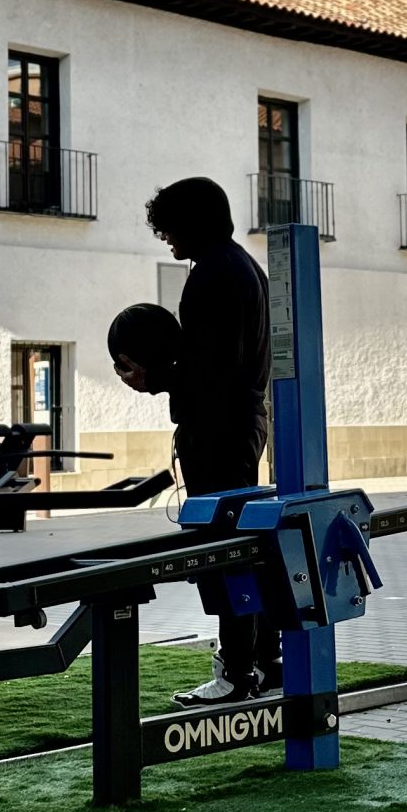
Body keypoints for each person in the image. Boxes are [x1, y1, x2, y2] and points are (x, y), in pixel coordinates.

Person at [135, 174, 279, 703]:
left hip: (219, 432)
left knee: (223, 554)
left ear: (193, 222)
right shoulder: (245, 267)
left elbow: (210, 372)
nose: (167, 240)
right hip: (242, 424)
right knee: (243, 548)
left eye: (170, 227)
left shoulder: (212, 276)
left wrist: (156, 378)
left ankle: (236, 672)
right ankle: (262, 662)